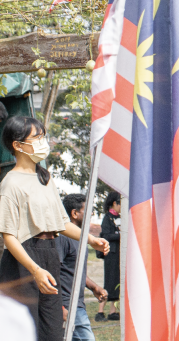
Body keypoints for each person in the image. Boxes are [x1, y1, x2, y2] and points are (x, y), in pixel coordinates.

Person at [0, 116, 109, 341]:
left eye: (43, 136)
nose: (42, 142)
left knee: (52, 331)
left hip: (49, 256)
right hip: (22, 262)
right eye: (36, 137)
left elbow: (60, 223)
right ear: (17, 145)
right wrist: (35, 270)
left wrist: (90, 239)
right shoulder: (10, 183)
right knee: (25, 331)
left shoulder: (45, 178)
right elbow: (9, 237)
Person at [57, 193, 108, 341]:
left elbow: (75, 270)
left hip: (77, 304)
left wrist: (94, 287)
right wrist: (59, 306)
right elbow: (53, 271)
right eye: (87, 210)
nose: (91, 214)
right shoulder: (63, 238)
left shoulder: (81, 238)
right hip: (67, 304)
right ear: (74, 213)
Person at [96, 191, 120, 322]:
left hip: (119, 255)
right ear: (114, 203)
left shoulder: (119, 218)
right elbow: (106, 235)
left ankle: (113, 311)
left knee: (117, 282)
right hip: (111, 254)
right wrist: (120, 235)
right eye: (120, 204)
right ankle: (100, 312)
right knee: (109, 282)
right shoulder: (107, 218)